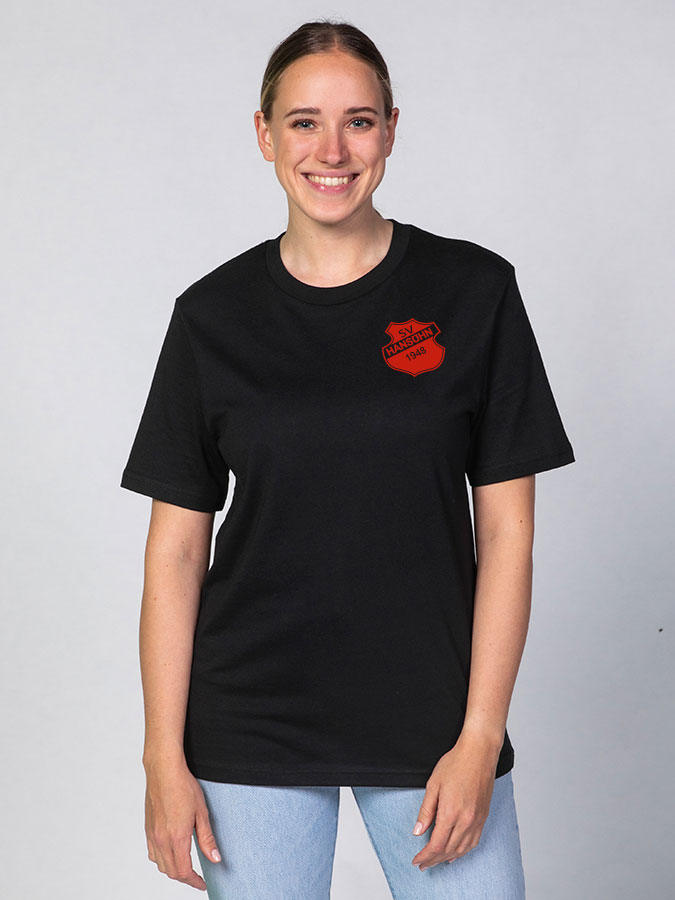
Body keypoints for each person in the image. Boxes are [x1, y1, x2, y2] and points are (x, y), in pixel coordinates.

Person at [120, 18, 575, 900]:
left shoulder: (474, 292)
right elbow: (175, 551)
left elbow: (507, 536)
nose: (331, 150)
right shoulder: (210, 317)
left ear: (390, 131)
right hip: (249, 721)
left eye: (357, 121)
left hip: (433, 720)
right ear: (264, 135)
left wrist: (481, 734)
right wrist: (161, 758)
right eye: (303, 122)